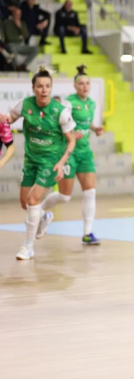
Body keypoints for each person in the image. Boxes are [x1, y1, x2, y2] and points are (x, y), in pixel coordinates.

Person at [0, 66, 76, 260]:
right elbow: (11, 118)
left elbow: (72, 140)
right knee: (25, 203)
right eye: (40, 86)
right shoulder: (26, 104)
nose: (44, 90)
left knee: (33, 200)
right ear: (33, 88)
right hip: (31, 159)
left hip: (50, 162)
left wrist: (61, 162)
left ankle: (28, 246)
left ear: (51, 88)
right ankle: (44, 216)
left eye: (47, 86)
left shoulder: (60, 112)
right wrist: (5, 119)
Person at [38, 65, 102, 245]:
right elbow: (59, 124)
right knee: (65, 197)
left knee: (90, 192)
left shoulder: (91, 103)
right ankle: (39, 211)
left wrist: (95, 129)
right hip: (69, 152)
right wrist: (72, 135)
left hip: (85, 153)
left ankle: (87, 233)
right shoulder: (68, 103)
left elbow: (87, 123)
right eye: (81, 83)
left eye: (87, 83)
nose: (85, 86)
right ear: (75, 86)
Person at [1, 6, 39, 71]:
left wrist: (19, 27)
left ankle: (23, 66)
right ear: (13, 14)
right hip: (11, 44)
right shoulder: (7, 23)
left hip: (21, 45)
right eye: (16, 14)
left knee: (36, 49)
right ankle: (17, 67)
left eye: (19, 14)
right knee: (12, 48)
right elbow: (9, 38)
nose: (18, 16)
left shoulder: (22, 23)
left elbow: (26, 36)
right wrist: (19, 37)